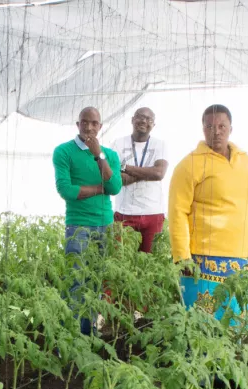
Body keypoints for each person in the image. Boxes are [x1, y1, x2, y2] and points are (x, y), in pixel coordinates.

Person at [166, 105, 248, 322]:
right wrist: (182, 257)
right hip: (203, 262)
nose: (216, 131)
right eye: (210, 126)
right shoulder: (189, 165)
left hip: (244, 260)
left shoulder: (247, 162)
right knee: (203, 329)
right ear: (203, 129)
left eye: (222, 126)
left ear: (231, 128)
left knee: (238, 325)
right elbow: (177, 212)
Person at [52, 106, 122, 335]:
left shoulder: (109, 155)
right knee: (75, 280)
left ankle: (88, 332)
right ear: (78, 125)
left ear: (100, 127)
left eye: (94, 123)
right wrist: (98, 188)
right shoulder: (63, 151)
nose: (89, 127)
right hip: (78, 225)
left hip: (104, 225)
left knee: (95, 281)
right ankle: (69, 335)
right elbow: (66, 190)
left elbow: (114, 187)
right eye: (85, 122)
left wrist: (98, 155)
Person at [112, 107, 168, 253]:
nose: (144, 121)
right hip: (125, 212)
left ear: (153, 125)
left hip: (153, 213)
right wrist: (147, 172)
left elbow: (159, 173)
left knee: (150, 264)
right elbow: (117, 180)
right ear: (132, 120)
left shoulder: (160, 144)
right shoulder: (118, 144)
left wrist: (124, 167)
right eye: (140, 117)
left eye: (149, 119)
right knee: (122, 263)